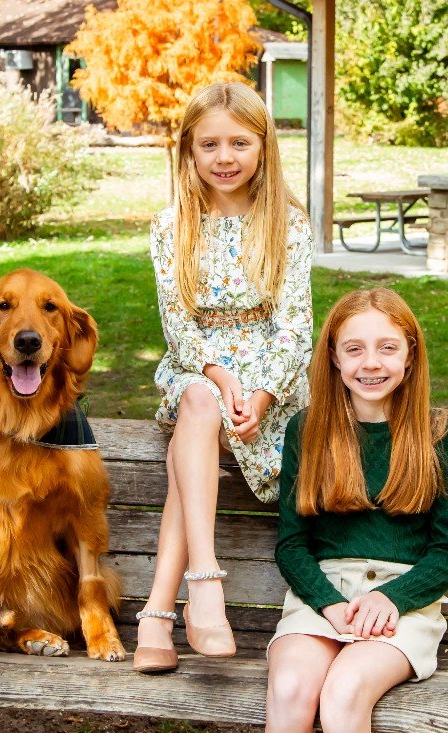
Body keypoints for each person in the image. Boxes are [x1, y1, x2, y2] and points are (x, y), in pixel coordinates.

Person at [134, 82, 313, 673]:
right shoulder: (172, 227)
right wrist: (218, 374)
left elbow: (295, 329)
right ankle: (205, 585)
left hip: (272, 379)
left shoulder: (287, 225)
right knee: (199, 402)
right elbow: (179, 327)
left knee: (201, 420)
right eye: (208, 144)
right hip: (197, 365)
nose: (224, 157)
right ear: (187, 150)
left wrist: (260, 393)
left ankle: (159, 612)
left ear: (264, 146)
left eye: (240, 142)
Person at [263, 288, 448, 733]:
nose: (370, 363)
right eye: (354, 348)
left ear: (411, 354)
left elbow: (447, 551)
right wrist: (329, 603)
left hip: (404, 603)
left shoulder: (436, 433)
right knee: (290, 691)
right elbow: (292, 544)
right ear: (333, 356)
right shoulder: (307, 429)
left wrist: (391, 598)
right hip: (321, 597)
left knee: (344, 693)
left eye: (387, 347)